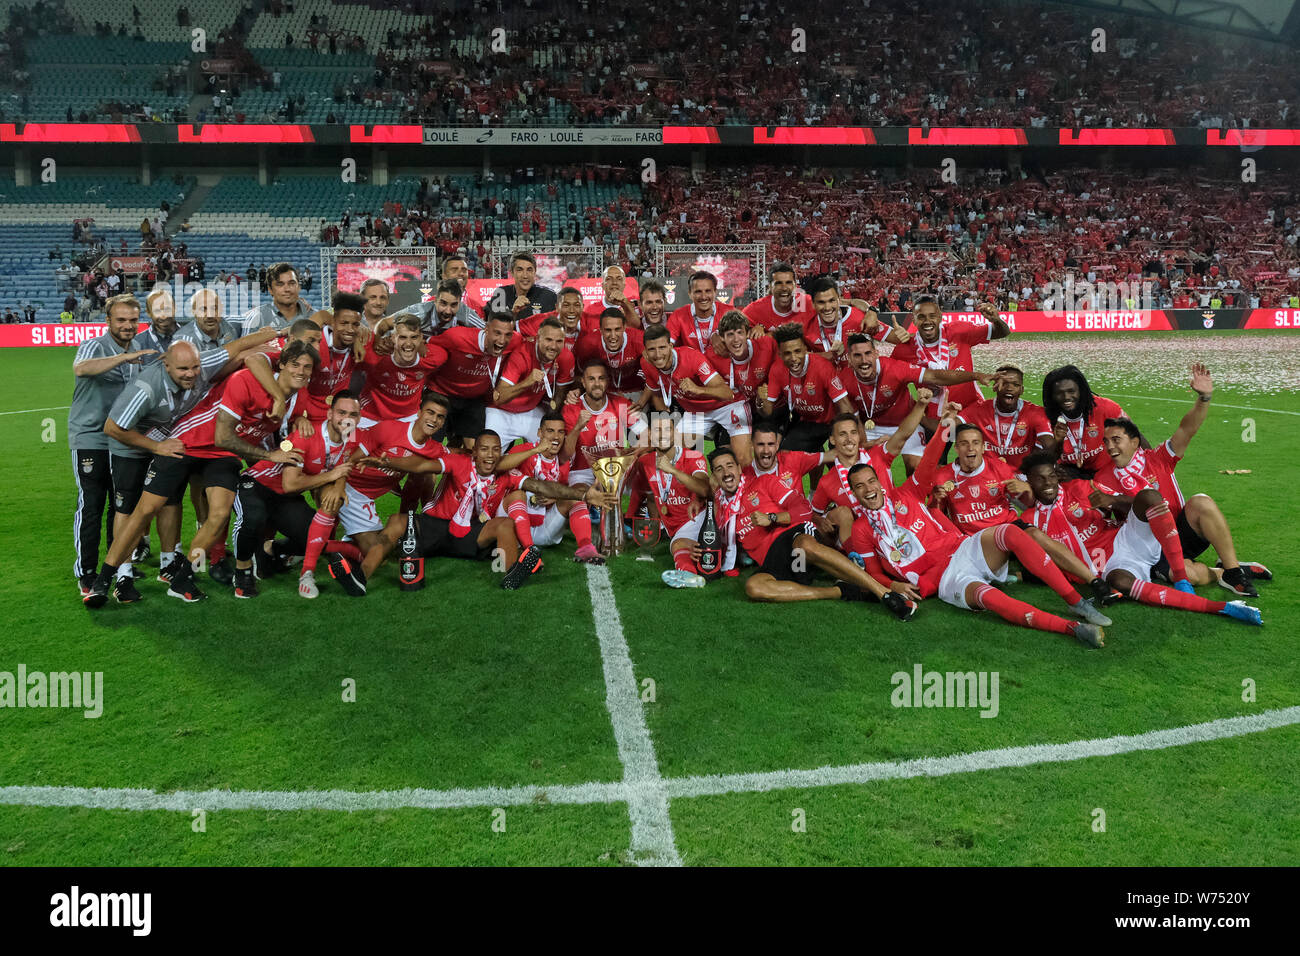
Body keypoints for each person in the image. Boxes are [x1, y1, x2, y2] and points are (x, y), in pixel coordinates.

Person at [85, 341, 319, 607]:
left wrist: (300, 421)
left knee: (219, 514)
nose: (301, 371)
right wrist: (270, 455)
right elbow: (224, 434)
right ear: (283, 364)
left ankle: (183, 577)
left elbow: (287, 426)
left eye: (307, 367)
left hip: (223, 455)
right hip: (189, 441)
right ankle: (103, 580)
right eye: (296, 364)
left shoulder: (301, 396)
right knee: (145, 510)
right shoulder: (247, 380)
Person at [845, 421, 1113, 647]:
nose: (868, 489)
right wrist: (895, 586)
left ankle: (1076, 601)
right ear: (854, 494)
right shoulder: (861, 530)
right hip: (948, 577)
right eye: (859, 486)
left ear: (880, 484)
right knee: (991, 599)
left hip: (963, 548)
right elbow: (874, 572)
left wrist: (943, 429)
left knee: (1011, 532)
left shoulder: (905, 494)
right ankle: (1072, 628)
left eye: (871, 481)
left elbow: (927, 464)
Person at [1022, 448, 1261, 625]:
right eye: (1039, 478)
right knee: (1121, 582)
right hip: (1113, 567)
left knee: (1148, 497)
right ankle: (1224, 598)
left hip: (1126, 540)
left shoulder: (1081, 488)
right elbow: (1043, 561)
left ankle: (1180, 579)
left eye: (1051, 476)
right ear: (1027, 481)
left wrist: (1111, 501)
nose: (1048, 483)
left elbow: (1130, 504)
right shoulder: (1031, 520)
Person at [1092, 364, 1267, 603]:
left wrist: (1204, 398)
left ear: (1134, 442)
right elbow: (1110, 518)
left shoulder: (1158, 458)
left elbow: (1187, 429)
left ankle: (1234, 571)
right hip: (1148, 547)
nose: (1110, 446)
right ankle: (1222, 572)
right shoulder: (1102, 478)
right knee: (1185, 575)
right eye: (1106, 442)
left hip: (1181, 531)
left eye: (1116, 440)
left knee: (1201, 502)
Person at [361, 430, 615, 589]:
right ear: (474, 452)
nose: (491, 455)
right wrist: (388, 461)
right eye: (484, 449)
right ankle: (361, 578)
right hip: (435, 526)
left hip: (471, 533)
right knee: (396, 521)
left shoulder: (504, 475)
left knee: (505, 525)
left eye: (496, 450)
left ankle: (513, 573)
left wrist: (583, 494)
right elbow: (420, 466)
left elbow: (542, 486)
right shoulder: (457, 463)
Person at [707, 446, 917, 616]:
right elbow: (715, 546)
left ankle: (884, 592)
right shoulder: (722, 509)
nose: (726, 473)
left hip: (792, 537)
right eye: (719, 469)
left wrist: (772, 518)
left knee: (805, 546)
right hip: (775, 560)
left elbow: (802, 509)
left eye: (729, 466)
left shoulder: (762, 482)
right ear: (714, 476)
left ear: (738, 467)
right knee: (753, 587)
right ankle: (841, 591)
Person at [233, 390, 364, 599]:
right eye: (341, 412)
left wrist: (339, 482)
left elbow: (345, 463)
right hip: (257, 485)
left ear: (360, 417)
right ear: (330, 414)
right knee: (253, 519)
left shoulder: (352, 435)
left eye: (353, 415)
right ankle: (242, 572)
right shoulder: (306, 435)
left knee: (313, 536)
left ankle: (270, 549)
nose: (347, 419)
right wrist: (332, 475)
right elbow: (290, 484)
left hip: (285, 499)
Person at [68, 295, 154, 595]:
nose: (128, 326)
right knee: (92, 503)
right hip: (90, 437)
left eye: (133, 320)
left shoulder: (140, 353)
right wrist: (123, 357)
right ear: (108, 321)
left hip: (121, 438)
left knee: (120, 507)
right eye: (121, 320)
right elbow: (82, 368)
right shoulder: (96, 344)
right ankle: (86, 572)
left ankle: (114, 567)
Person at [842, 332, 990, 469]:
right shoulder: (844, 378)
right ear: (849, 358)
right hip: (870, 428)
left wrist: (975, 376)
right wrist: (864, 442)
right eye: (857, 355)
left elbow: (934, 376)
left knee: (917, 466)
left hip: (906, 423)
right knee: (861, 470)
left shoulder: (894, 369)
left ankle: (915, 497)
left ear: (876, 354)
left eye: (868, 353)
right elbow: (851, 417)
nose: (864, 361)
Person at [497, 411, 603, 564]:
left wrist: (555, 497)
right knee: (517, 495)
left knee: (574, 497)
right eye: (550, 431)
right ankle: (528, 552)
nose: (556, 437)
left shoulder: (563, 462)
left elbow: (564, 491)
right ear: (540, 432)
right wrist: (536, 450)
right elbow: (499, 465)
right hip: (513, 524)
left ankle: (586, 548)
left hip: (544, 527)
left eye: (560, 432)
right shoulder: (524, 450)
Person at [640, 323, 750, 466]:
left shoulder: (691, 358)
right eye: (652, 350)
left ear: (670, 346)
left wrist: (699, 389)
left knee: (743, 460)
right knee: (669, 457)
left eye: (662, 347)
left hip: (727, 406)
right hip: (696, 412)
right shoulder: (646, 363)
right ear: (646, 353)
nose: (658, 354)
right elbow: (657, 393)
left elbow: (727, 393)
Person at [890, 297, 1009, 421]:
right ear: (913, 320)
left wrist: (996, 320)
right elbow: (889, 381)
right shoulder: (903, 350)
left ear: (940, 316)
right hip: (934, 419)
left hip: (970, 410)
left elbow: (1002, 332)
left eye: (932, 316)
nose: (927, 321)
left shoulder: (958, 330)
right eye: (921, 317)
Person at [634, 414, 711, 588]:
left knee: (679, 545)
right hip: (675, 526)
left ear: (676, 433)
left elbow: (704, 489)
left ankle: (688, 575)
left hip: (698, 517)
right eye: (657, 430)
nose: (662, 435)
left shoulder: (693, 456)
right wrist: (654, 531)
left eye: (667, 429)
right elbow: (652, 495)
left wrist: (673, 471)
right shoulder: (645, 462)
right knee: (681, 543)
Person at [426, 310, 522, 447]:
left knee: (474, 449)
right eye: (497, 333)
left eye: (508, 334)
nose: (502, 340)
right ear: (486, 329)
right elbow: (429, 344)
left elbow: (529, 346)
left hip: (474, 398)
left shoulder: (515, 341)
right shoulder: (458, 337)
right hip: (442, 392)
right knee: (430, 443)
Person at [758, 324, 852, 453]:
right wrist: (760, 402)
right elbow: (767, 411)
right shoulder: (777, 369)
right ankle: (816, 455)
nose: (793, 358)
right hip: (808, 422)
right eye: (787, 353)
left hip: (833, 422)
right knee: (785, 456)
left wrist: (845, 433)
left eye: (797, 351)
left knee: (841, 460)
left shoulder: (822, 367)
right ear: (779, 354)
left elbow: (844, 405)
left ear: (805, 349)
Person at [486, 317, 573, 446]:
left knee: (549, 449)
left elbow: (559, 393)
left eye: (559, 341)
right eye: (548, 340)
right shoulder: (522, 354)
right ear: (537, 338)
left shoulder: (565, 357)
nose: (554, 346)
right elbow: (499, 398)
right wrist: (527, 382)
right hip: (501, 412)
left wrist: (550, 419)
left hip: (531, 411)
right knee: (489, 455)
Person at [357, 314, 448, 426]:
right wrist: (358, 333)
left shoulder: (434, 358)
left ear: (420, 338)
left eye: (414, 337)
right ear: (393, 337)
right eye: (402, 337)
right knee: (350, 439)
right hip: (370, 417)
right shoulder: (373, 356)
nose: (408, 344)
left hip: (408, 418)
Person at [957, 365, 1053, 471]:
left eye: (1015, 384)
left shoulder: (1035, 412)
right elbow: (948, 430)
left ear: (1022, 390)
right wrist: (948, 419)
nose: (1009, 388)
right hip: (989, 477)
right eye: (1004, 383)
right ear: (995, 386)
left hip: (1022, 476)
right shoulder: (978, 409)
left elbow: (1049, 446)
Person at [1042, 364, 1128, 477]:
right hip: (1068, 474)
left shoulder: (1106, 408)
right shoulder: (1045, 418)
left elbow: (1133, 436)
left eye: (1071, 391)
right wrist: (1058, 442)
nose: (1066, 397)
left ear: (1081, 390)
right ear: (1051, 396)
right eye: (1059, 393)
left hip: (1107, 471)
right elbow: (1046, 459)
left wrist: (1149, 465)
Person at [574, 308, 646, 402]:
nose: (613, 335)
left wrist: (641, 403)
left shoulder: (641, 340)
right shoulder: (587, 344)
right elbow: (577, 375)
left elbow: (655, 376)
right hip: (602, 392)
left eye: (617, 329)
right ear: (600, 329)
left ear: (625, 327)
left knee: (629, 415)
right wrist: (578, 390)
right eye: (608, 330)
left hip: (636, 391)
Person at [239, 262, 314, 334]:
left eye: (292, 283)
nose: (287, 289)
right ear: (270, 290)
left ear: (299, 287)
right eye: (280, 284)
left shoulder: (315, 317)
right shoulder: (256, 318)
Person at [742, 262, 815, 333]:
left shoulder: (807, 303)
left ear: (795, 285)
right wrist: (754, 330)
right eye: (778, 283)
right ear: (770, 286)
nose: (784, 288)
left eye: (788, 283)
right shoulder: (755, 309)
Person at [665, 270, 724, 355]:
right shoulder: (678, 315)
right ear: (690, 294)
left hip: (721, 367)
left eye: (708, 291)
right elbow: (666, 346)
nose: (703, 297)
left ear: (715, 292)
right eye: (698, 292)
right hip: (692, 367)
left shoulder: (728, 312)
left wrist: (719, 334)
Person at [493, 251, 556, 319]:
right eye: (520, 270)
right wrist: (513, 313)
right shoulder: (501, 294)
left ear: (534, 272)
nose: (525, 276)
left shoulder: (549, 297)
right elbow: (492, 326)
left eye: (529, 270)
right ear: (511, 272)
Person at [135, 288, 179, 364]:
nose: (163, 316)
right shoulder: (137, 343)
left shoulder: (192, 338)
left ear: (175, 308)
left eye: (167, 309)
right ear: (148, 312)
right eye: (157, 311)